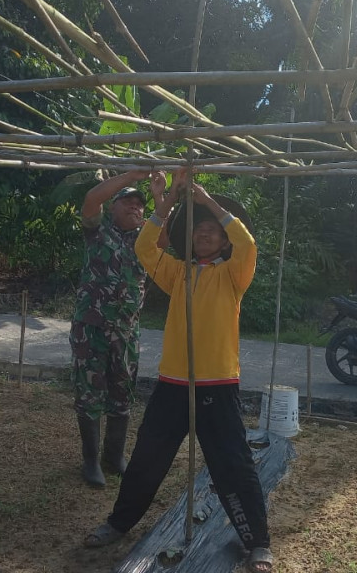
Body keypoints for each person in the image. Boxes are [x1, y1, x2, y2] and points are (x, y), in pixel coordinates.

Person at [83, 172, 274, 573]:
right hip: (172, 384)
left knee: (233, 465)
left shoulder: (234, 275)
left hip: (217, 384)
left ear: (223, 241)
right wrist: (168, 200)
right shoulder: (177, 273)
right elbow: (144, 246)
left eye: (212, 230)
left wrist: (207, 201)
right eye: (199, 229)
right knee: (147, 459)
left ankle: (258, 542)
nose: (205, 233)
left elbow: (247, 243)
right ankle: (118, 523)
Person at [69, 169, 150, 488]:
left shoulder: (146, 240)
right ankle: (90, 461)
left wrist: (163, 193)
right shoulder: (98, 230)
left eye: (139, 204)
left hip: (127, 333)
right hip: (92, 330)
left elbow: (168, 226)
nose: (135, 207)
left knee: (122, 394)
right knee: (89, 394)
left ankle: (113, 457)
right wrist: (133, 175)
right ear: (113, 206)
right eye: (127, 201)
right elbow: (91, 199)